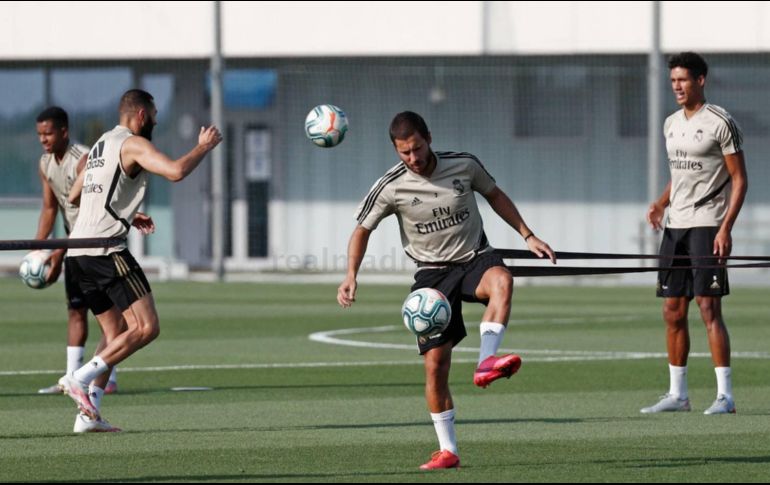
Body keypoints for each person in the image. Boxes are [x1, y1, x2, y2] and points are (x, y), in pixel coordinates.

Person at [337, 111, 556, 470]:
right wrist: (350, 275)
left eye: (417, 148)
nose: (413, 158)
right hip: (432, 277)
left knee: (503, 279)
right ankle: (448, 450)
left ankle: (487, 361)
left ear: (429, 138)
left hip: (475, 259)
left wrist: (528, 236)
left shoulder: (464, 165)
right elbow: (362, 229)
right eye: (404, 153)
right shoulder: (391, 185)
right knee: (436, 366)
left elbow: (495, 195)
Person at [59, 89, 222, 429]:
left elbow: (76, 195)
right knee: (146, 327)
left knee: (115, 330)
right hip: (105, 251)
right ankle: (80, 378)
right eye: (155, 114)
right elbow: (175, 172)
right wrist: (204, 146)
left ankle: (87, 416)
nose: (157, 120)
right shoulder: (133, 143)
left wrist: (128, 215)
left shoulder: (101, 144)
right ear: (143, 115)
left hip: (78, 254)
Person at [644, 52, 748, 415]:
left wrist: (726, 228)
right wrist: (660, 203)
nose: (677, 86)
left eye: (683, 80)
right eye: (673, 80)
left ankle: (725, 396)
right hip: (676, 227)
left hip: (708, 225)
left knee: (708, 307)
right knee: (673, 310)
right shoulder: (671, 123)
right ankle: (678, 395)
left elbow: (739, 179)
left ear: (700, 80)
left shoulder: (721, 121)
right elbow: (681, 174)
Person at [33, 106, 119, 396]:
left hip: (96, 244)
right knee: (76, 310)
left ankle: (109, 377)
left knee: (107, 315)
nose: (43, 139)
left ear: (64, 132)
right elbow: (49, 207)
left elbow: (89, 211)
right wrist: (39, 250)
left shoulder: (82, 160)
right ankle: (72, 378)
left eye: (48, 133)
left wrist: (58, 253)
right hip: (74, 244)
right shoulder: (45, 163)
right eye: (40, 135)